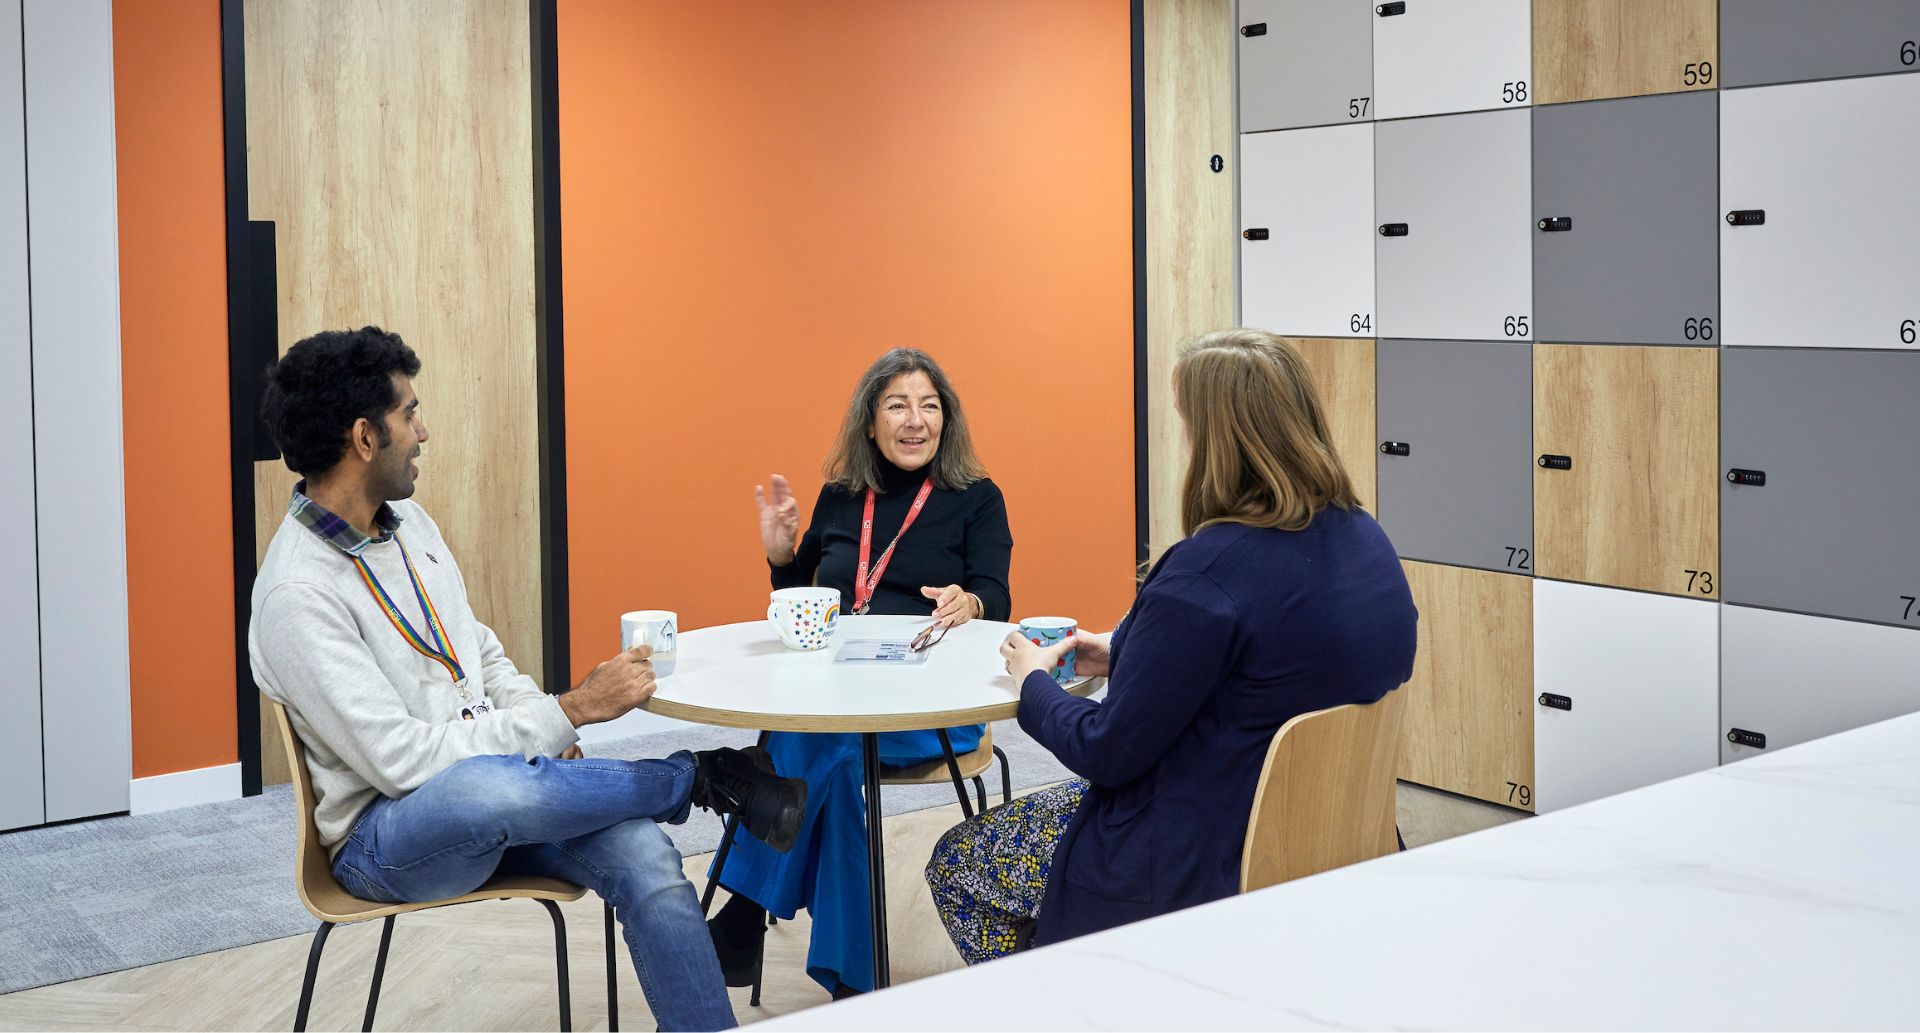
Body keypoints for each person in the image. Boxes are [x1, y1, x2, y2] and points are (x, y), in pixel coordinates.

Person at [250, 326, 806, 1032]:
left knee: (645, 854)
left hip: (500, 793)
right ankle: (695, 778)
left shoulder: (408, 523)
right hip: (388, 836)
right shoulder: (296, 596)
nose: (423, 431)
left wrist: (542, 722)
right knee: (490, 786)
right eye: (408, 413)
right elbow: (402, 764)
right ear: (364, 437)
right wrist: (567, 711)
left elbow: (475, 652)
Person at [924, 327, 1418, 960]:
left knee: (961, 864)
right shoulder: (1365, 540)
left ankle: (1065, 1001)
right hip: (1335, 830)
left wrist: (1033, 684)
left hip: (1205, 848)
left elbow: (1107, 752)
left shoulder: (1203, 573)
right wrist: (1122, 652)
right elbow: (1265, 670)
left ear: (1215, 440)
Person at [706, 347, 1014, 998]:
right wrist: (782, 554)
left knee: (812, 739)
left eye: (929, 406)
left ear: (946, 420)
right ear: (869, 421)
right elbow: (802, 596)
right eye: (898, 404)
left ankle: (741, 919)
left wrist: (973, 602)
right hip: (841, 693)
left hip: (932, 707)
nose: (915, 419)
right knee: (835, 746)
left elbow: (997, 598)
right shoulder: (844, 497)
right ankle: (851, 977)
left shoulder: (977, 499)